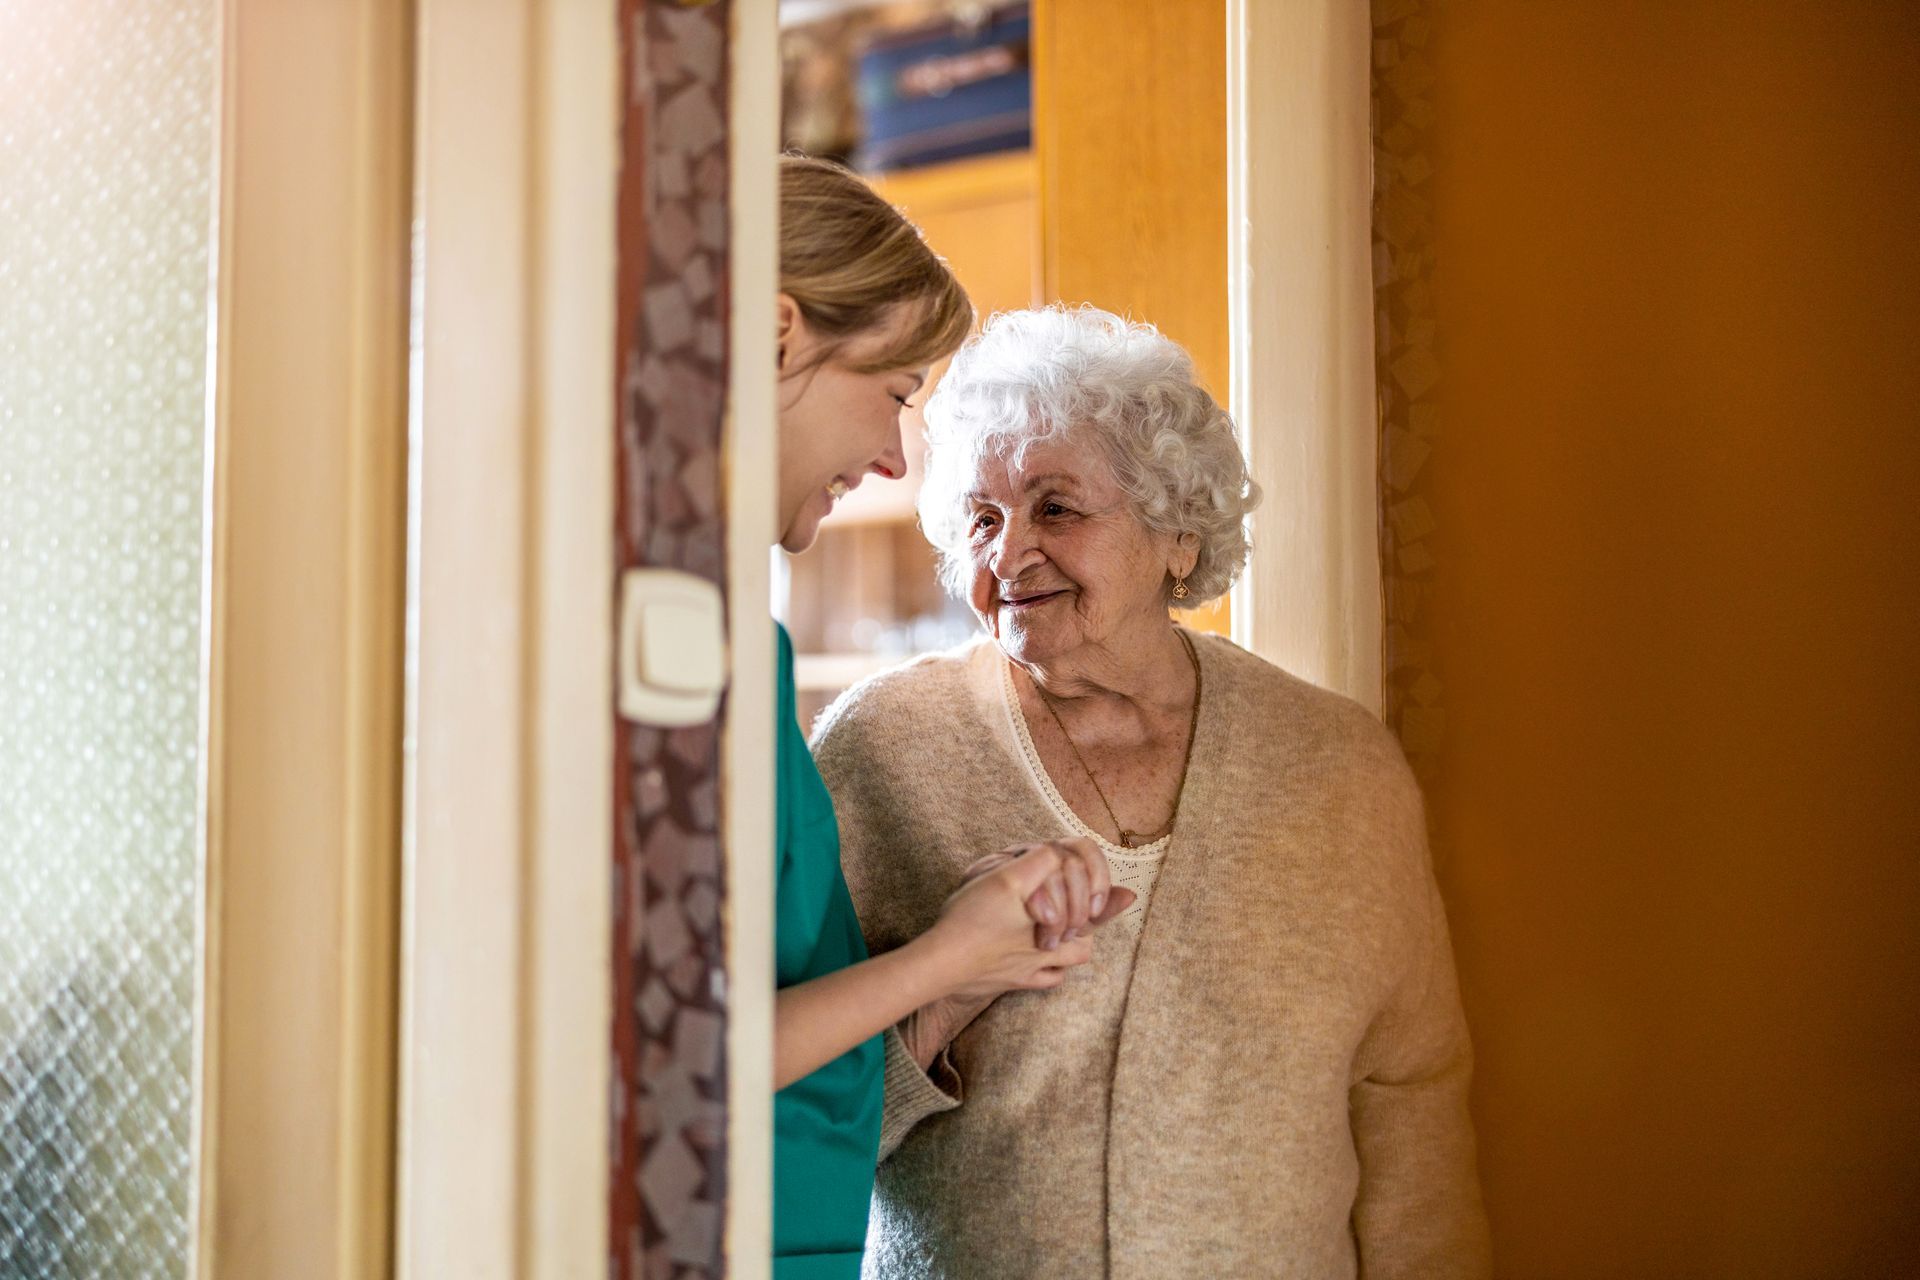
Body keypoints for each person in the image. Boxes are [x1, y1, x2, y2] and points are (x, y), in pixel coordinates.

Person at [814, 306, 1492, 1278]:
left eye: (1056, 507)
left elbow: (1412, 1112)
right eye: (981, 516)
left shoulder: (1337, 768)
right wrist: (943, 990)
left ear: (1177, 528)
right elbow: (783, 1119)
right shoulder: (884, 750)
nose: (1006, 556)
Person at [768, 159, 1127, 1280]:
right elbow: (660, 1051)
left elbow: (805, 1052)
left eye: (1060, 507)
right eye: (895, 391)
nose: (889, 457)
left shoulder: (744, 649)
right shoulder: (688, 662)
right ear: (779, 336)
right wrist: (941, 956)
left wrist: (957, 981)